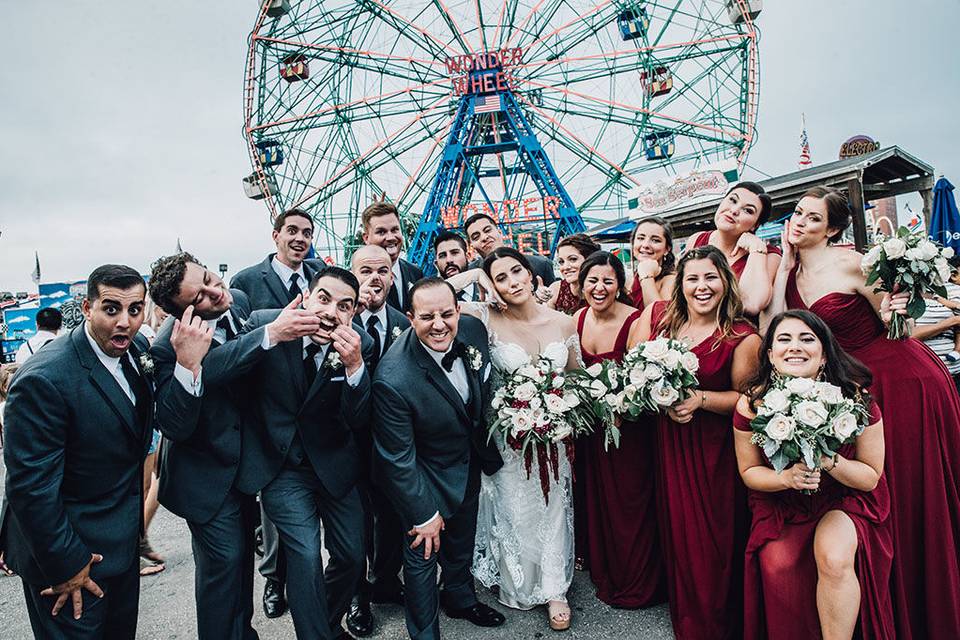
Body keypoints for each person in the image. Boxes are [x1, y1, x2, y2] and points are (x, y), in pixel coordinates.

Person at [767, 186, 960, 639]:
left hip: (898, 379)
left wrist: (897, 306)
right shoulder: (789, 270)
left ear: (832, 228)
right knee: (871, 491)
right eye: (798, 213)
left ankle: (923, 588)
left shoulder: (855, 263)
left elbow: (902, 328)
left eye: (813, 219)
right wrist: (782, 273)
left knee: (908, 483)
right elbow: (773, 329)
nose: (800, 222)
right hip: (847, 386)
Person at [150, 252, 320, 640]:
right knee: (221, 574)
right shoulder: (166, 347)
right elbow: (174, 423)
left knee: (240, 564)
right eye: (200, 299)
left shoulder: (238, 299)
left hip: (243, 467)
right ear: (180, 315)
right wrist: (188, 368)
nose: (215, 292)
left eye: (210, 277)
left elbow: (242, 360)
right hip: (204, 477)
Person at [3, 265, 153, 639]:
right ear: (87, 308)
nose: (125, 322)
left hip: (119, 548)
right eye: (112, 309)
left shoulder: (138, 352)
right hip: (70, 561)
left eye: (135, 310)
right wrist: (67, 564)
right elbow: (30, 487)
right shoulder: (44, 379)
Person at [733, 310, 895, 639]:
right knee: (778, 564)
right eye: (784, 339)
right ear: (770, 355)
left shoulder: (855, 400)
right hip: (784, 500)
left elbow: (869, 478)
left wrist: (829, 460)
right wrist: (785, 478)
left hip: (846, 497)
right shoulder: (752, 405)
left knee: (833, 555)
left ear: (823, 356)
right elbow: (749, 472)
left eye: (807, 339)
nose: (795, 347)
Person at [238, 266, 374, 640]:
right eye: (325, 299)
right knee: (306, 556)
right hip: (283, 469)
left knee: (351, 556)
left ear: (353, 313)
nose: (332, 312)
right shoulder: (267, 324)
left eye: (345, 306)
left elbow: (359, 418)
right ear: (308, 297)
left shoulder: (360, 344)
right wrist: (271, 335)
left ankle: (325, 626)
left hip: (335, 466)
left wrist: (355, 368)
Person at [635, 246, 761, 639]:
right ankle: (688, 607)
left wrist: (701, 399)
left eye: (710, 277)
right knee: (679, 529)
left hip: (718, 449)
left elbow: (749, 402)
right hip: (671, 441)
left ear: (725, 282)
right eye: (692, 278)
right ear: (680, 285)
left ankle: (719, 619)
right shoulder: (664, 329)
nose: (701, 287)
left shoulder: (743, 336)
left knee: (716, 533)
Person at [451, 248, 580, 630]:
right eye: (501, 277)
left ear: (531, 274)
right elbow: (437, 297)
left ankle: (556, 587)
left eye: (516, 272)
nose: (512, 282)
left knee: (554, 504)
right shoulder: (486, 317)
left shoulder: (565, 322)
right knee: (514, 508)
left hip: (552, 435)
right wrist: (474, 277)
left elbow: (576, 375)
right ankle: (521, 577)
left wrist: (563, 409)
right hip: (507, 437)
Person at [372, 278, 505, 640]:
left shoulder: (473, 330)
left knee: (462, 539)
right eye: (428, 316)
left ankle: (460, 599)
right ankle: (424, 632)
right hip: (422, 471)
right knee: (421, 557)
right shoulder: (393, 378)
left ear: (458, 311)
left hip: (467, 459)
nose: (440, 324)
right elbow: (397, 458)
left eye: (447, 313)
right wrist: (423, 513)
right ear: (410, 318)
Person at [230, 206, 328, 618]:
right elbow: (241, 345)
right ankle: (274, 578)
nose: (299, 239)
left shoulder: (320, 273)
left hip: (315, 402)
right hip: (272, 408)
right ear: (276, 235)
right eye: (292, 231)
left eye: (306, 232)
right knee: (274, 515)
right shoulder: (248, 281)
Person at [573, 251, 665, 608]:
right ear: (581, 286)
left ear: (620, 285)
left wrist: (620, 411)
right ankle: (604, 565)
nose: (599, 288)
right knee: (598, 500)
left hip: (628, 430)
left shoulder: (636, 320)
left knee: (629, 503)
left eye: (608, 281)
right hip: (590, 430)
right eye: (592, 281)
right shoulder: (576, 319)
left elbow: (642, 380)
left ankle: (637, 577)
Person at [345, 246, 410, 637]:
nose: (374, 277)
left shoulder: (405, 322)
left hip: (391, 441)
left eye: (382, 270)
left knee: (390, 518)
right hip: (347, 443)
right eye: (365, 270)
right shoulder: (340, 320)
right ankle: (358, 597)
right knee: (355, 525)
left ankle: (386, 580)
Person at [685, 182, 781, 318]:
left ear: (755, 225)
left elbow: (751, 303)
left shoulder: (769, 255)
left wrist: (756, 250)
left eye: (748, 210)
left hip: (737, 335)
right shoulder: (696, 240)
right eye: (732, 200)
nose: (734, 210)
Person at [138, 294, 167, 577]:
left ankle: (141, 538)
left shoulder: (151, 332)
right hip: (150, 424)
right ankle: (137, 543)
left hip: (156, 424)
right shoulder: (146, 334)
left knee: (158, 480)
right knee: (146, 486)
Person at [463, 212, 556, 287]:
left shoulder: (541, 264)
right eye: (476, 237)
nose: (484, 237)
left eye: (487, 230)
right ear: (471, 245)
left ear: (499, 232)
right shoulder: (468, 274)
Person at [361, 201, 423, 311]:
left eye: (395, 230)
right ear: (366, 238)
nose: (390, 237)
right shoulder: (356, 280)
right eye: (381, 232)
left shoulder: (415, 273)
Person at [626, 217, 676, 312]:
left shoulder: (671, 280)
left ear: (667, 249)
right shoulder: (630, 280)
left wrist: (647, 277)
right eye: (640, 238)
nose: (645, 245)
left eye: (655, 240)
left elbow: (658, 319)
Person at [545, 233, 600, 314]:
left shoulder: (604, 288)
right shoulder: (555, 290)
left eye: (573, 259)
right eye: (561, 262)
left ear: (589, 259)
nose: (565, 267)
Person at [434, 231, 477, 301]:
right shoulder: (431, 300)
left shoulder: (489, 290)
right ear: (436, 264)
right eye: (442, 256)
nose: (449, 260)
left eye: (454, 253)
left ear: (468, 257)